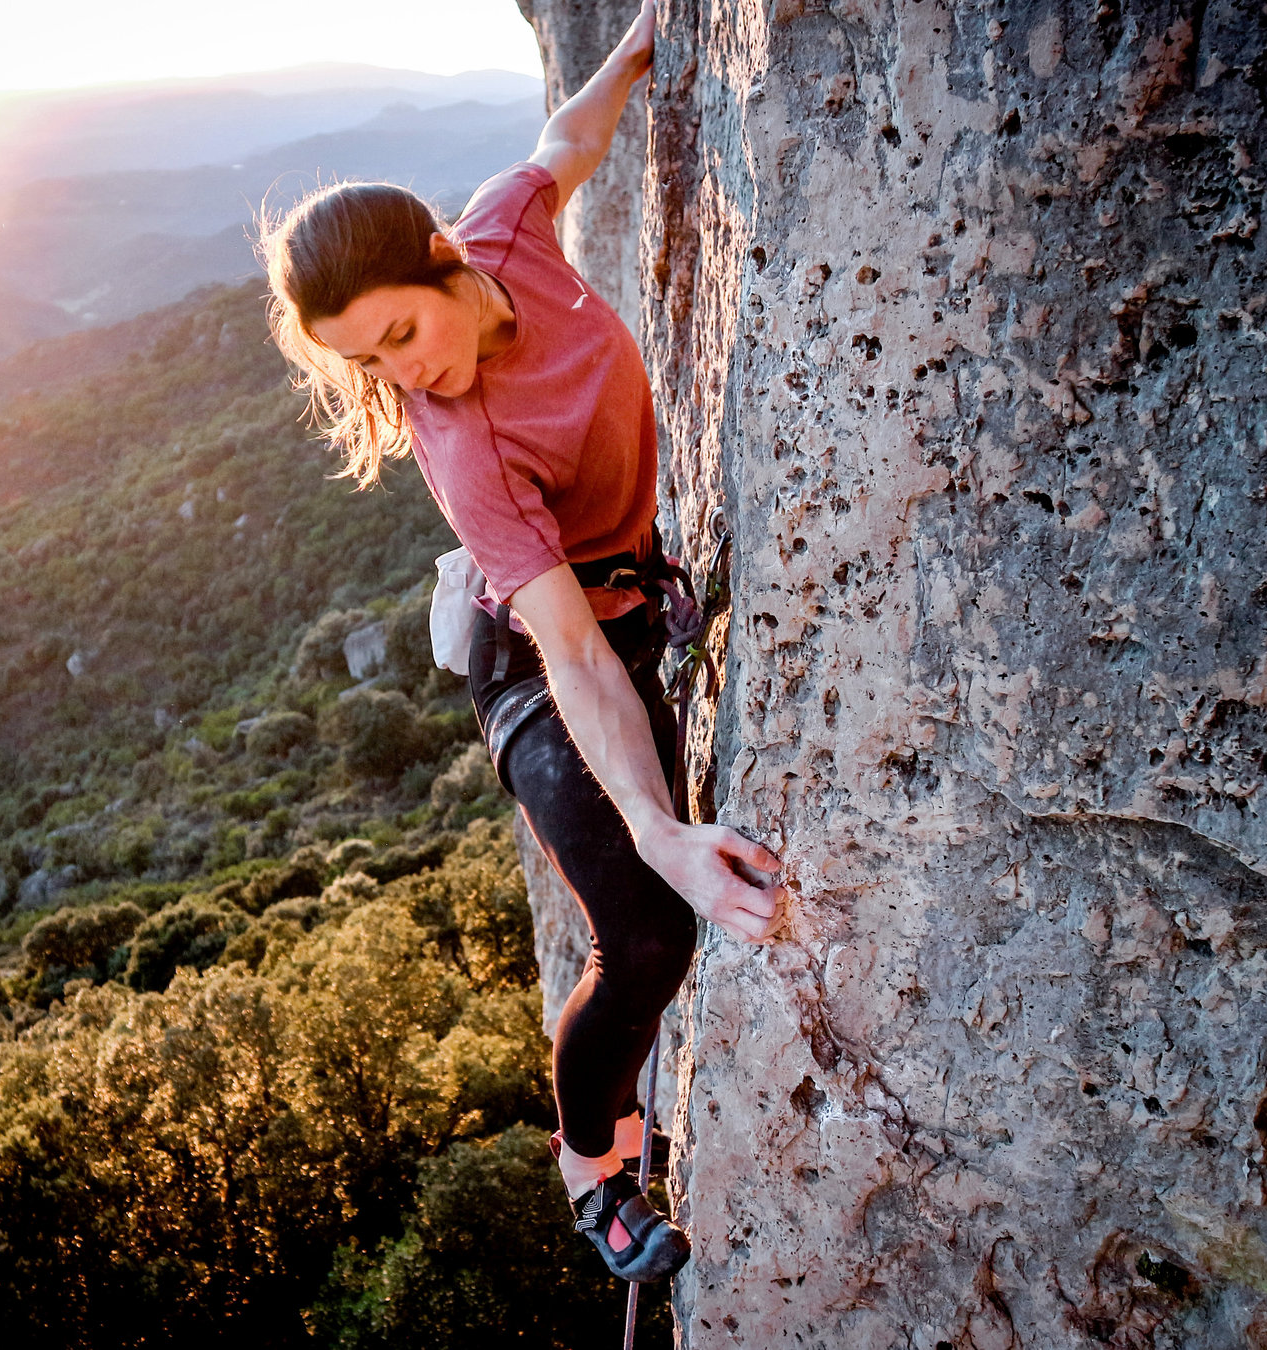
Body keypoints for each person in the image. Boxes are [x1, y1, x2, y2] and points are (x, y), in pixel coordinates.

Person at [257, 0, 783, 1285]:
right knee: (647, 935)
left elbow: (564, 145)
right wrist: (656, 831)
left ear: (446, 257)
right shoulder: (467, 452)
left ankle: (618, 1120)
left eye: (400, 333)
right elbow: (576, 658)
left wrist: (639, 47)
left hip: (618, 615)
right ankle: (591, 1172)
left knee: (656, 919)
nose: (402, 376)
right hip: (539, 678)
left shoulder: (503, 229)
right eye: (368, 363)